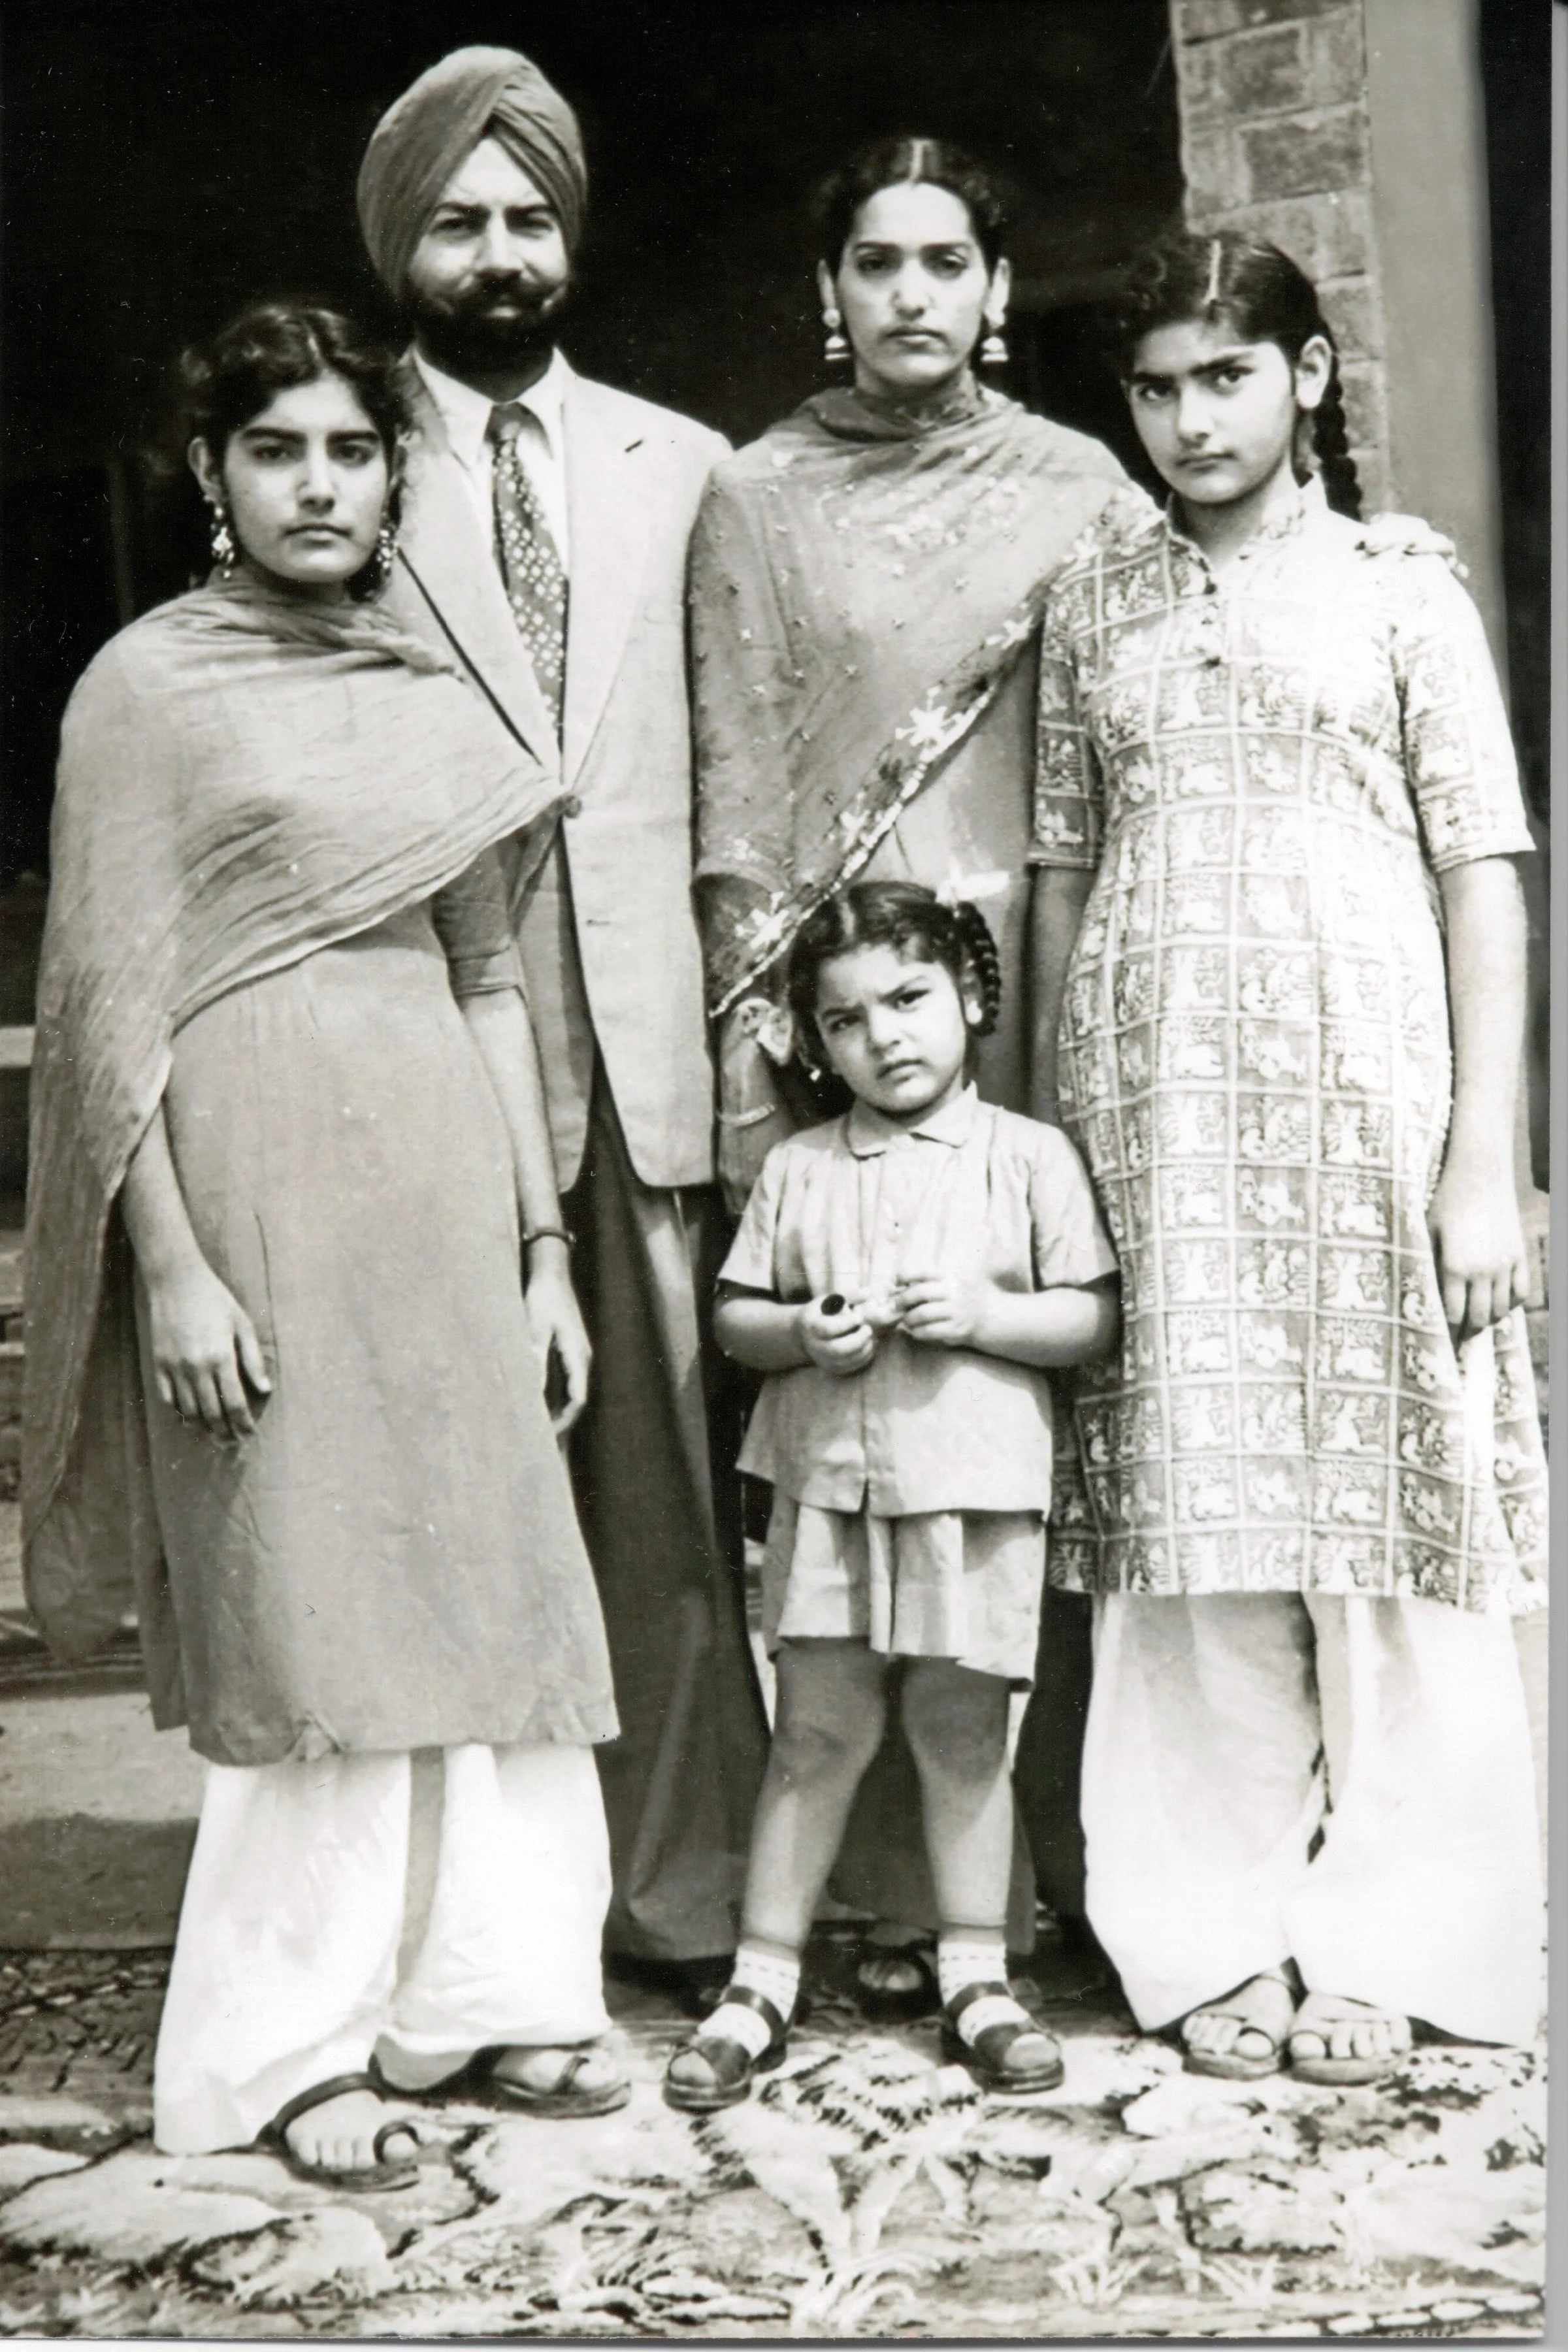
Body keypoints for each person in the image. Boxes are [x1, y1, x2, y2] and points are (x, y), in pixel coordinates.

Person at [23, 303, 632, 2181]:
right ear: (211, 476)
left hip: (442, 1185)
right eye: (274, 449)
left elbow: (490, 980)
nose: (316, 483)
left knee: (493, 1581)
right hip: (254, 1181)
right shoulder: (145, 688)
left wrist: (540, 1243)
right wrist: (177, 1265)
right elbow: (110, 1011)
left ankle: (499, 2003)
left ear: (394, 473)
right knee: (316, 1600)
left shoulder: (437, 679)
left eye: (351, 450)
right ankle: (288, 2053)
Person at [1030, 231, 1547, 2085]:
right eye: (1156, 389)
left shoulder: (1404, 594)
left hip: (1369, 1109)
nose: (1188, 419)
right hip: (1154, 1114)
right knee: (1186, 1527)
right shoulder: (1099, 600)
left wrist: (1488, 1157)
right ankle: (1205, 1933)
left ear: (1310, 378)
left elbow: (1485, 870)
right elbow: (1065, 870)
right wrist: (1051, 1162)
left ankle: (1397, 1940)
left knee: (1394, 1529)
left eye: (1224, 377)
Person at [691, 135, 1133, 2008]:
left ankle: (1042, 1892)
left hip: (1030, 988)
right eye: (875, 261)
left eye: (948, 261)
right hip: (841, 1003)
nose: (913, 297)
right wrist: (758, 1053)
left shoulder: (1085, 491)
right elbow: (729, 793)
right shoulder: (759, 496)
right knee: (851, 1452)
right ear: (829, 289)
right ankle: (848, 1909)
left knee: (1028, 1418)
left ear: (1001, 289)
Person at [355, 46, 769, 1987]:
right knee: (456, 1476)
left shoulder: (684, 464)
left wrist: (750, 1016)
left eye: (528, 219)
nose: (500, 255)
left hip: (650, 1025)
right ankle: (479, 1926)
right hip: (429, 1028)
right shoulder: (340, 454)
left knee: (668, 1490)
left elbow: (744, 769)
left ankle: (683, 1895)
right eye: (460, 222)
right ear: (401, 248)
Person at [662, 883, 1119, 2112]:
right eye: (847, 1019)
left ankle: (977, 1975)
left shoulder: (1029, 1156)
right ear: (815, 1044)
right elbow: (736, 1320)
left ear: (970, 995)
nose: (887, 1036)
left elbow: (1091, 1314)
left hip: (973, 1492)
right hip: (829, 1495)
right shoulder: (799, 1170)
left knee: (965, 1734)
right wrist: (803, 1337)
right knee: (815, 1734)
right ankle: (760, 1981)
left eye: (911, 999)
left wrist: (986, 1316)